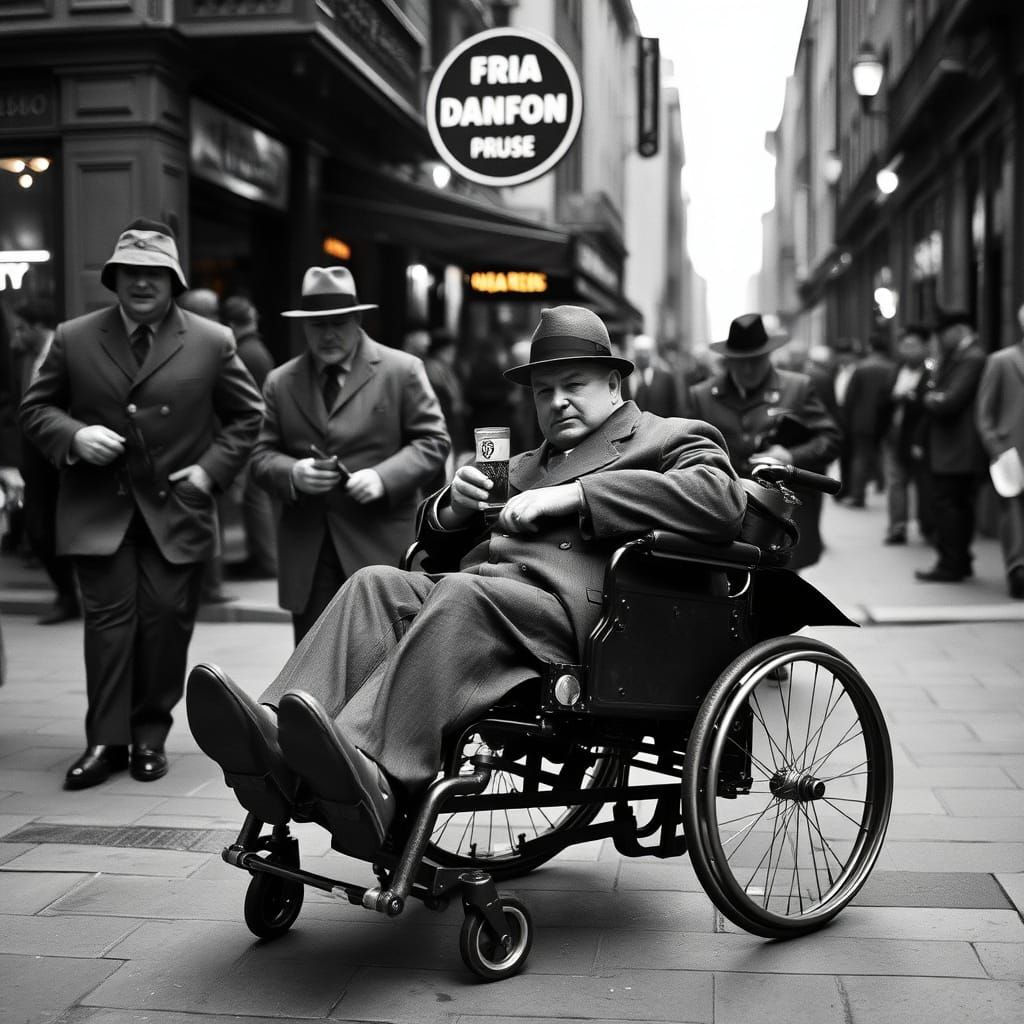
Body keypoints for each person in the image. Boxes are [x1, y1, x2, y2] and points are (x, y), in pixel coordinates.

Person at [186, 304, 744, 857]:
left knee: (459, 594)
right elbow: (434, 539)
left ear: (616, 382)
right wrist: (452, 506)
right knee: (374, 582)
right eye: (543, 392)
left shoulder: (668, 436)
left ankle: (372, 765)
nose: (557, 402)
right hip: (489, 604)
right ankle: (275, 732)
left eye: (573, 384)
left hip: (582, 623)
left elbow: (721, 500)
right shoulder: (521, 465)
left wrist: (577, 495)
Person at [19, 217, 264, 789]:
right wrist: (73, 437)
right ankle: (105, 740)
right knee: (107, 627)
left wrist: (209, 471)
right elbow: (35, 410)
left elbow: (248, 417)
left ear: (173, 280)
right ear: (114, 278)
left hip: (176, 510)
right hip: (96, 511)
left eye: (155, 272)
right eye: (130, 271)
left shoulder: (211, 339)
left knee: (163, 627)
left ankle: (149, 735)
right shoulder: (75, 336)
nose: (142, 282)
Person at [249, 266, 450, 644]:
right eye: (317, 325)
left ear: (357, 319)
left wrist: (383, 477)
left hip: (381, 544)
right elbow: (259, 455)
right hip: (309, 551)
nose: (327, 335)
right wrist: (293, 473)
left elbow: (434, 441)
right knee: (311, 671)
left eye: (338, 323)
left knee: (383, 666)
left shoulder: (401, 370)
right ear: (303, 327)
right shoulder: (280, 380)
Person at [684, 313, 840, 571]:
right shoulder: (701, 396)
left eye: (755, 361)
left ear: (769, 355)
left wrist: (791, 456)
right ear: (728, 360)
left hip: (779, 521)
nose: (748, 369)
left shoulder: (797, 388)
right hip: (723, 518)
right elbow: (684, 450)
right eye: (741, 362)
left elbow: (830, 439)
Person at [10, 300, 81, 623]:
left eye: (21, 328)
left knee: (67, 529)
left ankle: (74, 597)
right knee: (39, 528)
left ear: (38, 328)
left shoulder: (66, 350)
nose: (16, 335)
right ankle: (66, 595)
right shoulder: (24, 358)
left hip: (63, 458)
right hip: (34, 460)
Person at [914, 308, 987, 582]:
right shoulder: (958, 357)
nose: (940, 340)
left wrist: (932, 398)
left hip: (959, 449)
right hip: (951, 448)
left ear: (958, 330)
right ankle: (956, 560)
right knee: (952, 504)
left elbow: (950, 401)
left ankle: (952, 563)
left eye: (942, 334)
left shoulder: (972, 358)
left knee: (951, 505)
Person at [177, 288, 237, 604]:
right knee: (208, 519)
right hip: (203, 445)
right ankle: (208, 585)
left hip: (210, 448)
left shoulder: (216, 342)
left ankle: (210, 585)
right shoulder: (205, 342)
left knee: (209, 518)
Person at [220, 295, 278, 579]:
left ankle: (266, 561)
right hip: (258, 432)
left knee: (255, 498)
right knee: (256, 497)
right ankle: (265, 559)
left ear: (230, 323)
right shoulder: (255, 348)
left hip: (252, 433)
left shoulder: (245, 352)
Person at [975, 303, 1024, 599]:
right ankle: (1018, 569)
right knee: (1014, 512)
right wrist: (996, 446)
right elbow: (984, 412)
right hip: (1011, 451)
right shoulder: (1001, 361)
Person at [882, 325, 934, 545]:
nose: (907, 350)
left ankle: (928, 526)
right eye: (904, 345)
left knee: (924, 484)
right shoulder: (895, 370)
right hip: (894, 434)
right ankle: (897, 527)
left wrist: (911, 398)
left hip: (919, 437)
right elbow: (883, 399)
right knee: (895, 482)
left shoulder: (933, 372)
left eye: (912, 345)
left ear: (925, 347)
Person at [842, 331, 895, 508]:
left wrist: (847, 419)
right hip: (887, 420)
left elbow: (850, 396)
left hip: (862, 420)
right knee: (881, 453)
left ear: (871, 347)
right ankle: (881, 482)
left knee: (860, 457)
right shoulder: (892, 367)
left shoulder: (861, 367)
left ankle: (858, 495)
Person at [625, 334, 681, 417]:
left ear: (652, 353)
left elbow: (674, 408)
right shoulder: (624, 379)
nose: (642, 356)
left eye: (645, 351)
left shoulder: (666, 378)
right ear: (634, 353)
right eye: (639, 351)